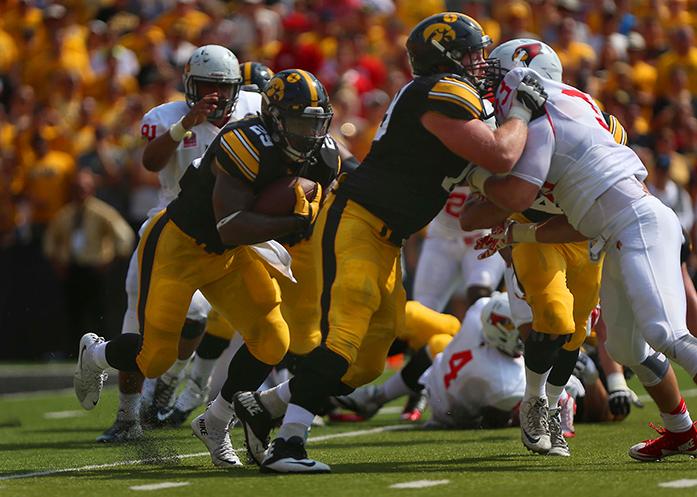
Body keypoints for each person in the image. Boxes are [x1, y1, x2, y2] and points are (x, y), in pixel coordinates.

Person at [231, 12, 548, 474]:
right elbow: (500, 155)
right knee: (343, 337)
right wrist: (519, 111)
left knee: (364, 364)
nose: (480, 61)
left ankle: (263, 407)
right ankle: (288, 444)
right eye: (470, 52)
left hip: (387, 235)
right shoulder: (438, 92)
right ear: (445, 59)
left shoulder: (451, 95)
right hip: (358, 220)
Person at [463, 42, 697, 461]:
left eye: (499, 80)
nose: (493, 90)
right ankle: (683, 432)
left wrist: (472, 176)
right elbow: (584, 217)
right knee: (627, 350)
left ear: (526, 79)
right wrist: (518, 237)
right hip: (611, 230)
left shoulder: (539, 121)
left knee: (665, 333)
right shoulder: (574, 106)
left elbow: (516, 193)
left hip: (637, 224)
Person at [78, 44, 267, 446]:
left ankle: (173, 383)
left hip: (227, 231)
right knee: (141, 325)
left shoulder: (254, 106)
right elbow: (149, 162)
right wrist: (187, 124)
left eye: (221, 88)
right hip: (169, 230)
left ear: (237, 88)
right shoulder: (165, 118)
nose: (213, 97)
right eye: (204, 87)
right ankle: (128, 414)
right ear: (188, 86)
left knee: (203, 317)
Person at [459, 38, 630, 457]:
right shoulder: (504, 134)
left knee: (576, 331)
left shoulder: (599, 122)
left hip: (580, 232)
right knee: (552, 316)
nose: (492, 91)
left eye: (500, 81)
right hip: (531, 232)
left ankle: (552, 405)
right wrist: (497, 201)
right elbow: (469, 215)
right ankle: (535, 400)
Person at [160, 61, 276, 428]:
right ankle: (185, 384)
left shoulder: (272, 131)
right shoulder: (238, 136)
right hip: (213, 231)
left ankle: (214, 392)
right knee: (212, 316)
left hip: (260, 233)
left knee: (272, 322)